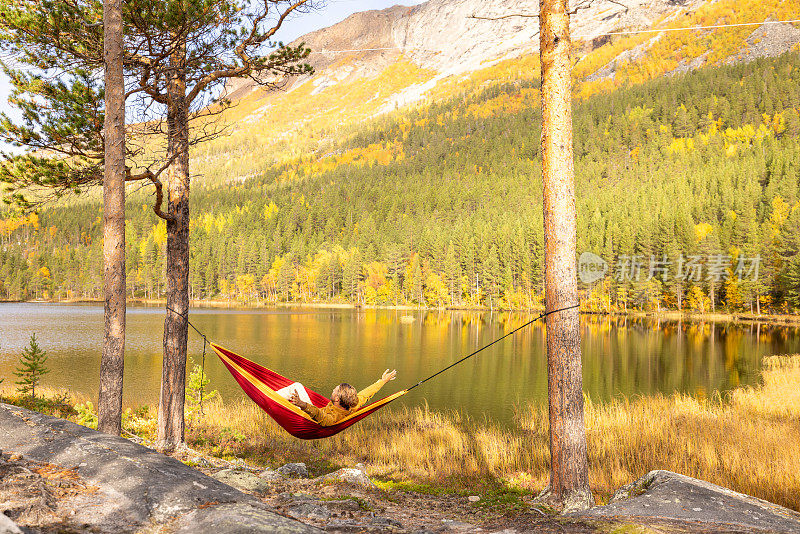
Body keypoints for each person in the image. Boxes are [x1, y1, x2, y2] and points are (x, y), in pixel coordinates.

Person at [289, 369, 397, 426]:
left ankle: (271, 397)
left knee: (295, 387)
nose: (332, 390)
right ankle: (271, 395)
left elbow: (320, 415)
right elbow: (365, 394)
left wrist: (302, 404)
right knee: (297, 386)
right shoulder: (351, 405)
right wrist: (383, 381)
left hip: (306, 418)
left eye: (335, 390)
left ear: (337, 399)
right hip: (309, 410)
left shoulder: (335, 417)